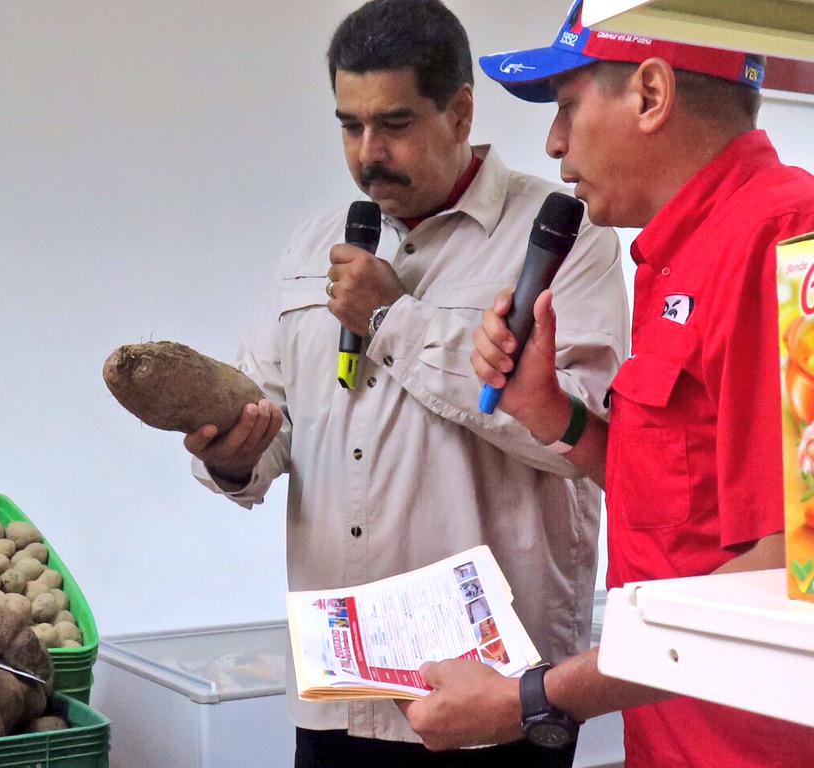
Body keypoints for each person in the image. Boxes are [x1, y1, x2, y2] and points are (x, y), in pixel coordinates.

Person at [186, 0, 629, 765]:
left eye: (393, 124)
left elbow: (586, 439)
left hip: (493, 697)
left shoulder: (565, 237)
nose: (367, 153)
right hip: (340, 695)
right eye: (349, 126)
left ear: (459, 112)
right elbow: (274, 423)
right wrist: (232, 452)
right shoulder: (313, 243)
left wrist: (392, 316)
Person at [401, 2, 814, 767]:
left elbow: (798, 565)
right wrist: (551, 412)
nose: (554, 145)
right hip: (671, 740)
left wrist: (532, 699)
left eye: (565, 107)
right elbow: (680, 503)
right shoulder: (673, 258)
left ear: (650, 95)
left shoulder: (786, 239)